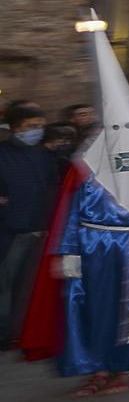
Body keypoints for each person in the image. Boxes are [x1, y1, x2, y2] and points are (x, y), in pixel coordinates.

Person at [18, 29, 129, 394]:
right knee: (87, 311)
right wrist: (66, 250)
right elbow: (70, 210)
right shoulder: (85, 169)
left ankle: (123, 369)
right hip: (91, 248)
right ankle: (94, 369)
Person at [0, 101, 60, 347]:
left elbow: (52, 185)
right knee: (5, 284)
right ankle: (3, 333)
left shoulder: (44, 154)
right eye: (31, 126)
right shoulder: (2, 153)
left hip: (40, 228)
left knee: (30, 285)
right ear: (15, 128)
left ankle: (23, 330)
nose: (36, 131)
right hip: (9, 229)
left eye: (40, 126)